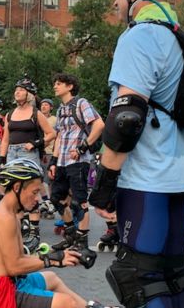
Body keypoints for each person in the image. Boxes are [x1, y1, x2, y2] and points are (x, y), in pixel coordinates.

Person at [91, 0, 184, 307]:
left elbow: (126, 119)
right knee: (175, 271)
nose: (115, 3)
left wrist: (105, 183)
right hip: (179, 173)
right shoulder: (181, 37)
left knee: (138, 276)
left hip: (146, 177)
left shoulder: (140, 36)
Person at [0, 158, 89, 308]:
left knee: (52, 278)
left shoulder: (11, 213)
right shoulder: (5, 218)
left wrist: (61, 255)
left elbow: (19, 258)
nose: (37, 199)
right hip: (4, 293)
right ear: (17, 187)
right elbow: (14, 266)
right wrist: (53, 260)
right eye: (35, 192)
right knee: (65, 303)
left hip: (12, 282)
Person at [48, 73, 102, 259]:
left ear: (70, 86)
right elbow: (60, 137)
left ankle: (83, 241)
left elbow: (99, 125)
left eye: (59, 83)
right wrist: (53, 162)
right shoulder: (60, 109)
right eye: (55, 83)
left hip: (78, 161)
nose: (55, 86)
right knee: (56, 198)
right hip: (62, 161)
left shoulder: (81, 103)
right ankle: (71, 234)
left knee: (80, 201)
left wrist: (83, 147)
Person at [0, 78, 56, 251]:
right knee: (14, 191)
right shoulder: (10, 114)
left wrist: (36, 143)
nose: (17, 92)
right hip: (12, 153)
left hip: (28, 153)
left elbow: (51, 134)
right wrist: (2, 161)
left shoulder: (35, 113)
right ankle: (18, 228)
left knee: (31, 192)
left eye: (21, 90)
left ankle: (34, 233)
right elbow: (5, 139)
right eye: (16, 89)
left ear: (29, 94)